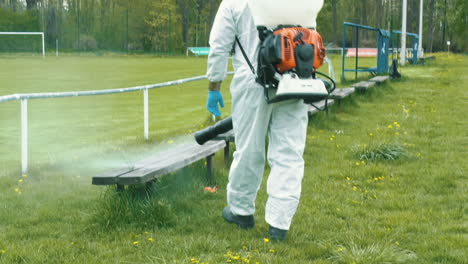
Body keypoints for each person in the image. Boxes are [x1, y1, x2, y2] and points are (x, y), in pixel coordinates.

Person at [206, 0, 309, 241]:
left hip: (252, 82)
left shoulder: (233, 3)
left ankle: (241, 211)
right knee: (289, 154)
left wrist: (214, 85)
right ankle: (279, 225)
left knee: (249, 150)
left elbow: (219, 46)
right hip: (293, 79)